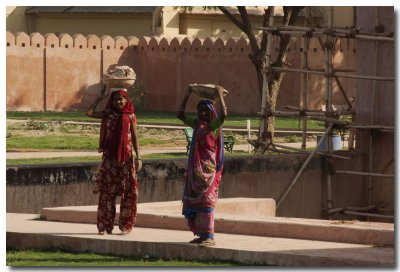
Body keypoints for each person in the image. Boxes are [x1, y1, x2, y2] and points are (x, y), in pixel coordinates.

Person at [86, 87, 142, 235]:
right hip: (110, 159)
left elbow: (135, 137)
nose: (118, 102)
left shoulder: (130, 116)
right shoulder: (108, 114)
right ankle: (105, 225)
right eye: (115, 99)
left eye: (121, 99)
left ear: (126, 100)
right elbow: (89, 113)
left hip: (126, 159)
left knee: (128, 193)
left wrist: (139, 157)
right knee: (107, 193)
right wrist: (99, 98)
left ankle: (126, 226)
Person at [176, 85, 228, 247]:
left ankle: (209, 237)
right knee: (195, 202)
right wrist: (187, 93)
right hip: (195, 172)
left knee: (206, 201)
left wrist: (220, 95)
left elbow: (224, 115)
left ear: (211, 112)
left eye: (206, 110)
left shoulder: (213, 126)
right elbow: (179, 114)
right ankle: (200, 235)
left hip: (209, 170)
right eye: (200, 110)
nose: (202, 113)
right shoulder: (197, 124)